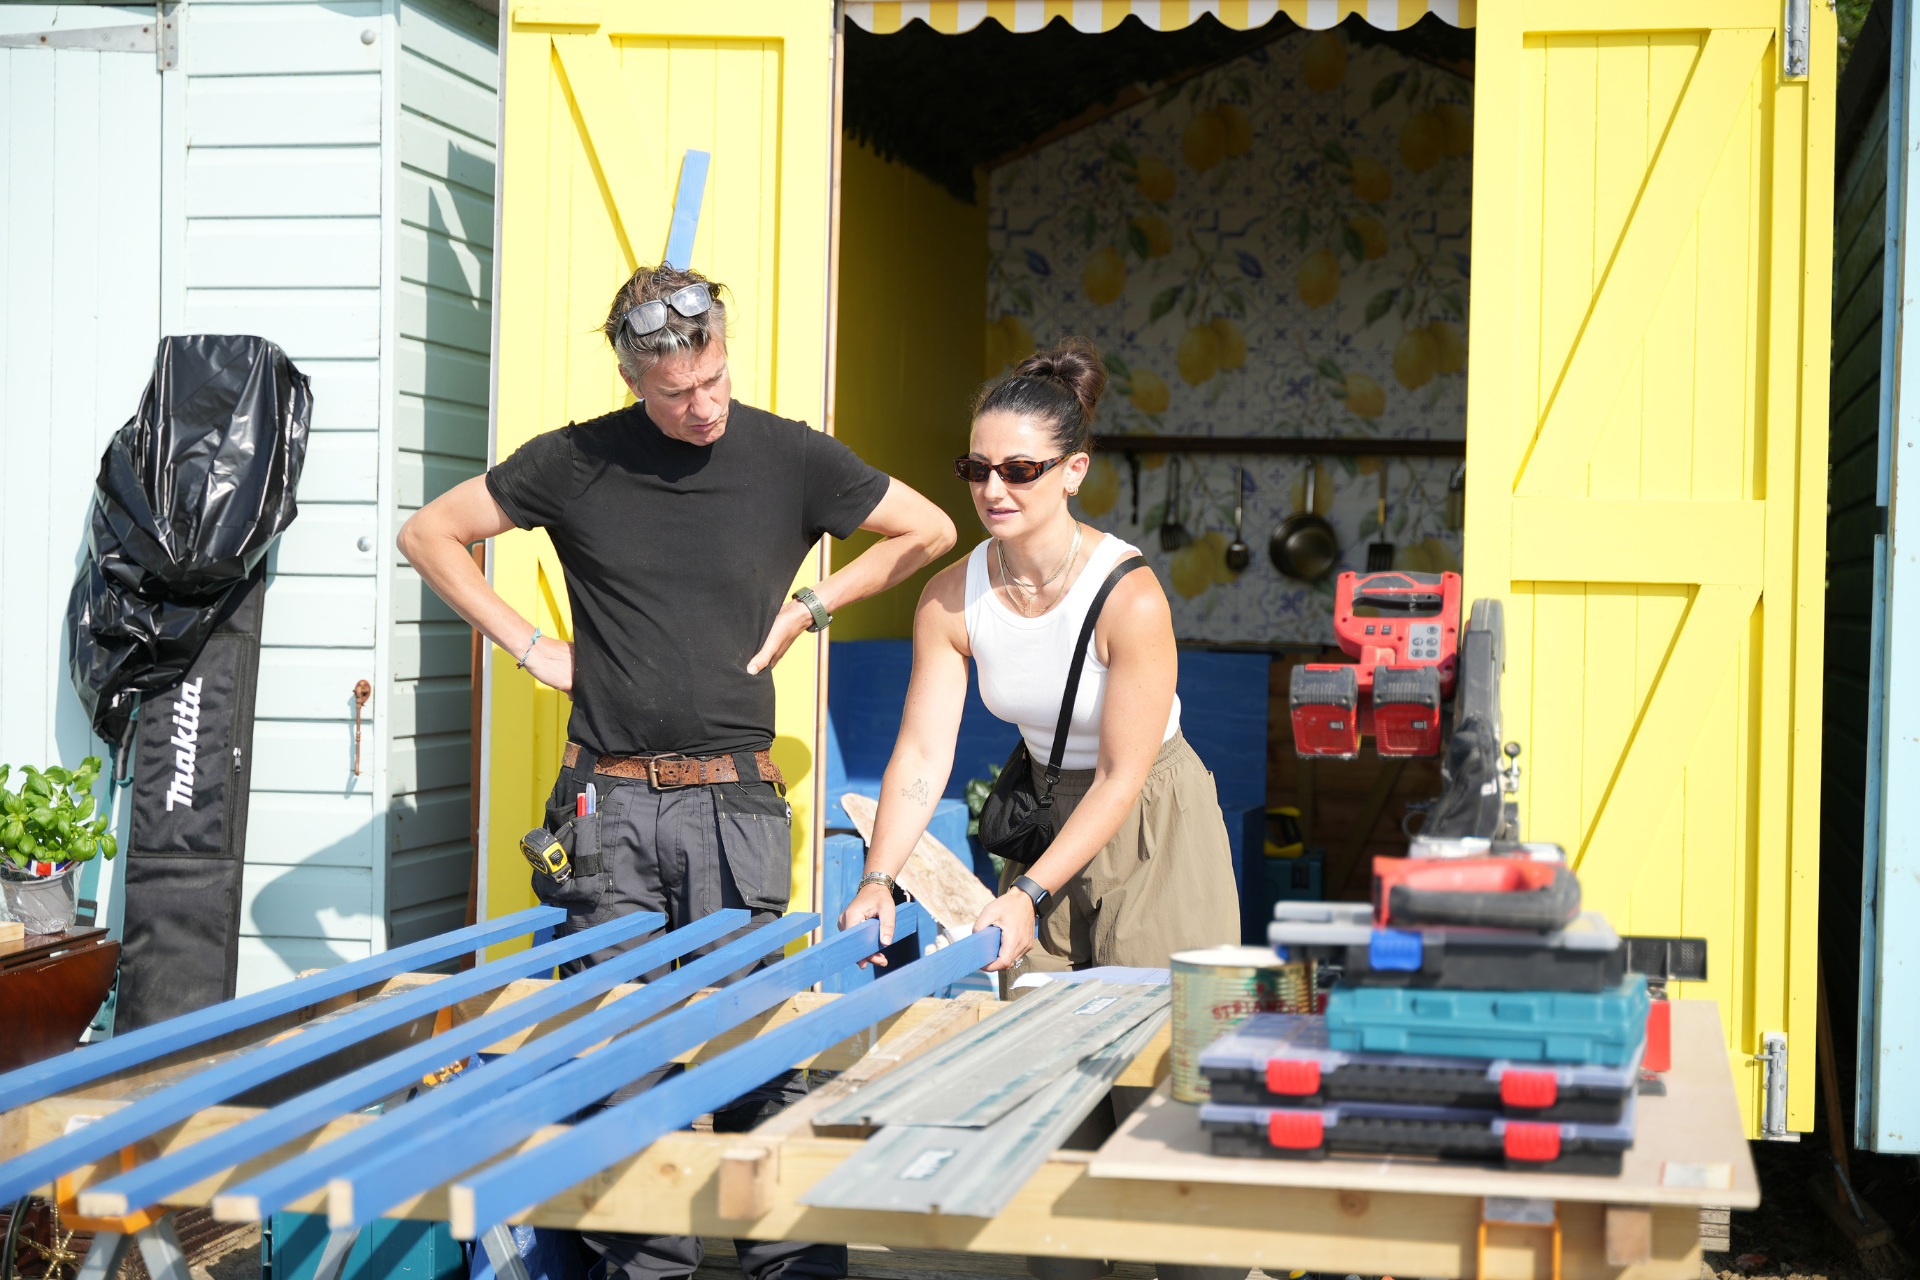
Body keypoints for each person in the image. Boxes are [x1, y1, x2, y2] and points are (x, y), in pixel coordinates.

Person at [399, 263, 955, 1280]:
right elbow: (428, 533)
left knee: (757, 1065)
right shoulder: (574, 461)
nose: (701, 408)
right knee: (620, 1076)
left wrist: (812, 607)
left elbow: (929, 527)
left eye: (714, 382)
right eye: (674, 394)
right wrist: (531, 645)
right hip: (605, 809)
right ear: (630, 377)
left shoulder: (790, 456)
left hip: (735, 808)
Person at [838, 339, 1239, 980]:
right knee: (1037, 1041)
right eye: (977, 469)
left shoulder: (1127, 597)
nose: (993, 489)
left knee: (1155, 1044)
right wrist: (879, 879)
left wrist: (1028, 894)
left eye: (1020, 470)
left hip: (1149, 814)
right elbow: (921, 754)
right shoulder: (948, 598)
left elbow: (1119, 776)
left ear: (1073, 471)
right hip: (1046, 811)